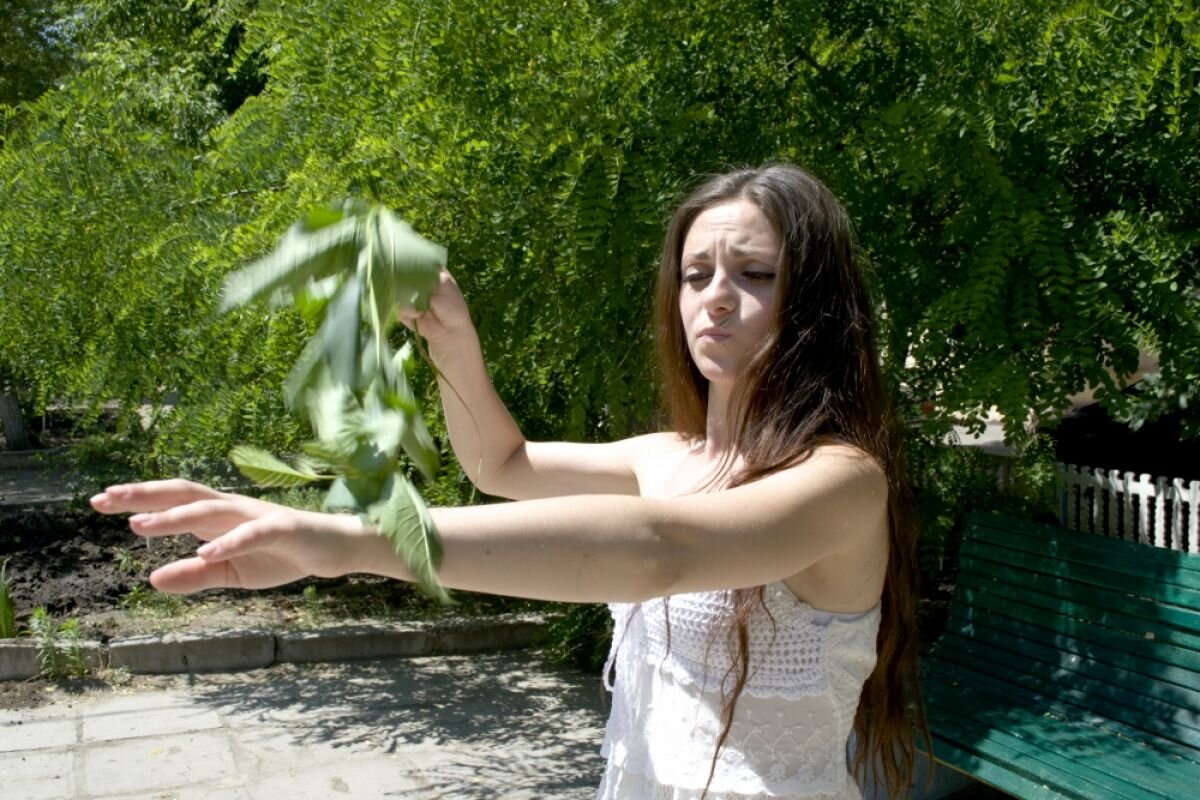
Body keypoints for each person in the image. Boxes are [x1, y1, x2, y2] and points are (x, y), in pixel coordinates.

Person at [91, 163, 927, 799]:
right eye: (695, 274)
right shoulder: (666, 456)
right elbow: (502, 466)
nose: (714, 298)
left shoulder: (842, 480)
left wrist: (339, 541)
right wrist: (453, 341)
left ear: (813, 298)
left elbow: (657, 550)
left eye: (755, 274)